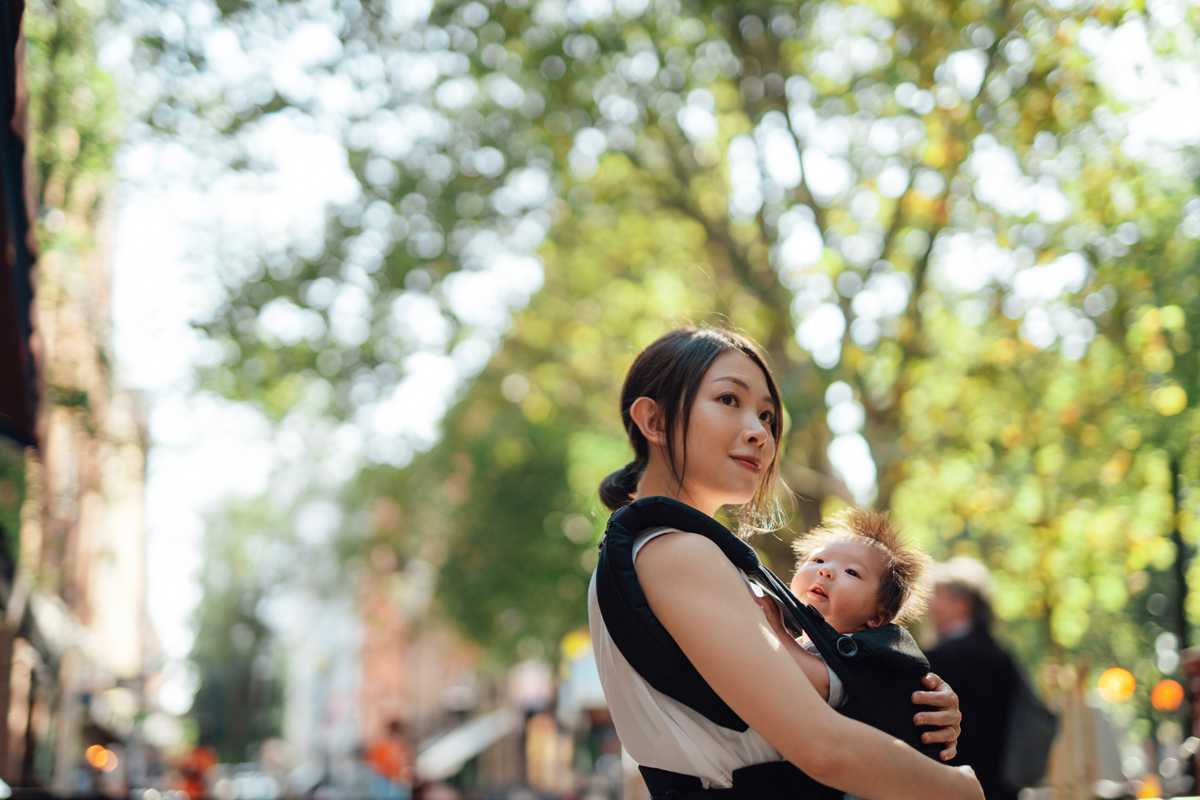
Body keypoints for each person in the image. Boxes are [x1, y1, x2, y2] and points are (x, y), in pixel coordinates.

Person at [587, 327, 982, 799]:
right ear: (653, 419)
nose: (759, 432)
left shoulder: (657, 551)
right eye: (729, 399)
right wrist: (957, 789)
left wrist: (908, 703)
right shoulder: (678, 552)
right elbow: (821, 746)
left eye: (768, 416)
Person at [754, 508, 933, 714]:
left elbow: (816, 682)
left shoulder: (863, 656)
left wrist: (776, 632)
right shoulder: (801, 644)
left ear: (876, 617)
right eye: (818, 560)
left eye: (851, 572)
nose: (825, 571)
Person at [925, 558, 1021, 800]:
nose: (929, 605)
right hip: (1002, 783)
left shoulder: (943, 658)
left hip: (955, 782)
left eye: (938, 596)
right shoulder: (1002, 655)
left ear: (962, 604)